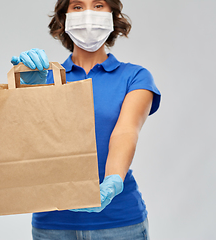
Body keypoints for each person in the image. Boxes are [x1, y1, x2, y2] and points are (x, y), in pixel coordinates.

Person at [11, 0, 161, 239]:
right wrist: (24, 85)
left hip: (120, 223)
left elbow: (126, 131)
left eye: (99, 5)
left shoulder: (135, 77)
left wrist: (111, 181)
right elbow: (23, 137)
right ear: (65, 17)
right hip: (52, 224)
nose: (88, 13)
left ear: (112, 15)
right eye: (78, 6)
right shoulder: (45, 76)